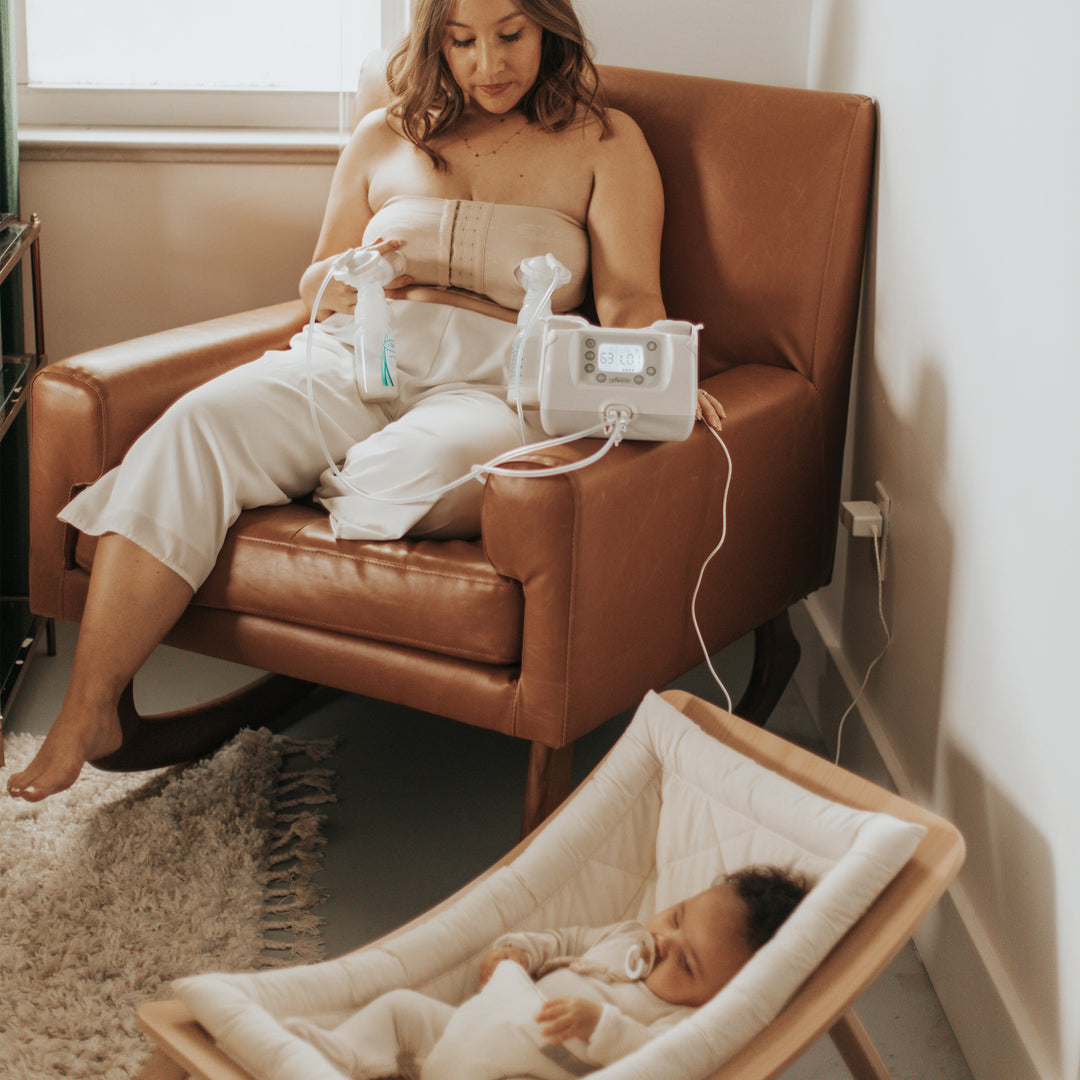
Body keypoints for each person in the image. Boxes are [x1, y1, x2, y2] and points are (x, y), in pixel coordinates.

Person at [6, 0, 724, 803]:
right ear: (434, 44)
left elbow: (630, 300)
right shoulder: (384, 134)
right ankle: (90, 709)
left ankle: (314, 468)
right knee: (196, 427)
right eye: (462, 41)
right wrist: (352, 271)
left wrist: (666, 378)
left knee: (411, 469)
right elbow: (314, 282)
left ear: (550, 28)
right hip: (358, 349)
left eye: (510, 35)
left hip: (500, 378)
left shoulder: (606, 140)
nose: (488, 64)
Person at [277, 867, 810, 1078]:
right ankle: (331, 1057)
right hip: (474, 1025)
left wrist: (598, 1024)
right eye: (675, 917)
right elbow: (566, 940)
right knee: (400, 1008)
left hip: (528, 1069)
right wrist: (520, 952)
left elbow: (656, 1061)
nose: (663, 942)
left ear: (716, 997)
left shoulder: (679, 1021)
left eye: (686, 963)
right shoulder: (626, 934)